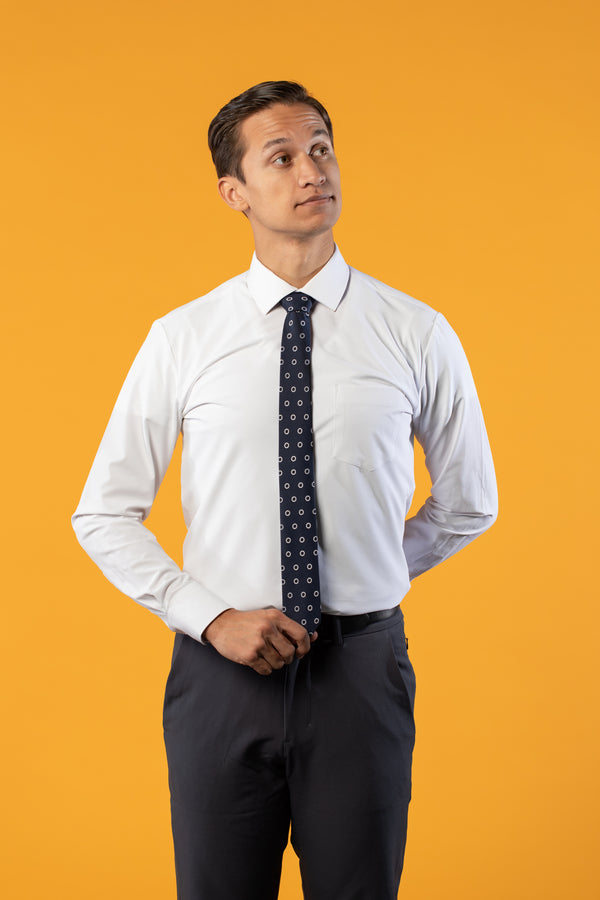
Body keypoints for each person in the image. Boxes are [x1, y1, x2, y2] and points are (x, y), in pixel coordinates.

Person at [72, 80, 498, 900]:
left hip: (360, 675)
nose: (312, 171)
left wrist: (365, 575)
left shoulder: (414, 331)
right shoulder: (184, 337)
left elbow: (469, 500)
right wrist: (210, 616)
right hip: (220, 682)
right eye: (282, 157)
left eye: (321, 149)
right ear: (235, 192)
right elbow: (104, 511)